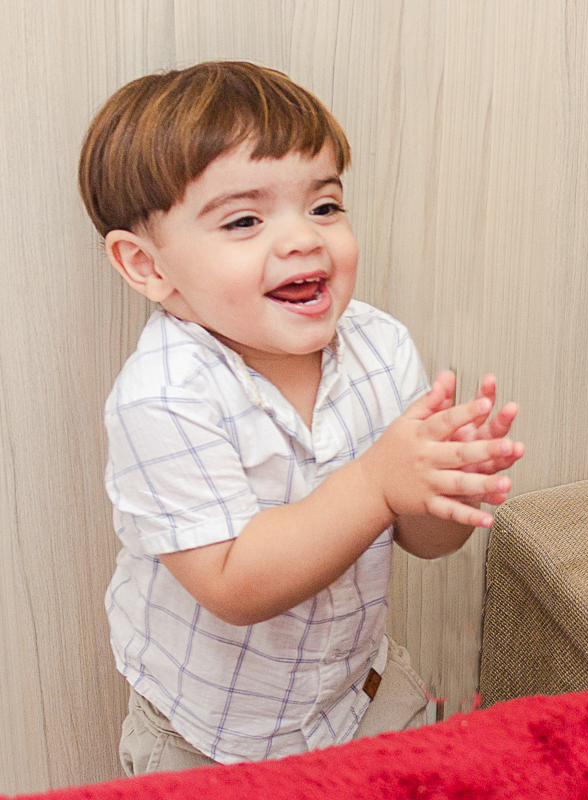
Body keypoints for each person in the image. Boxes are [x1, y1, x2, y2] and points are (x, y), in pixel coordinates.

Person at [78, 61, 524, 774]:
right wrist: (379, 482)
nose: (303, 240)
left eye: (323, 207)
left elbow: (422, 541)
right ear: (147, 266)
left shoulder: (380, 347)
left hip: (361, 694)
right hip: (210, 739)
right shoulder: (163, 397)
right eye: (246, 220)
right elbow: (233, 583)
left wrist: (441, 490)